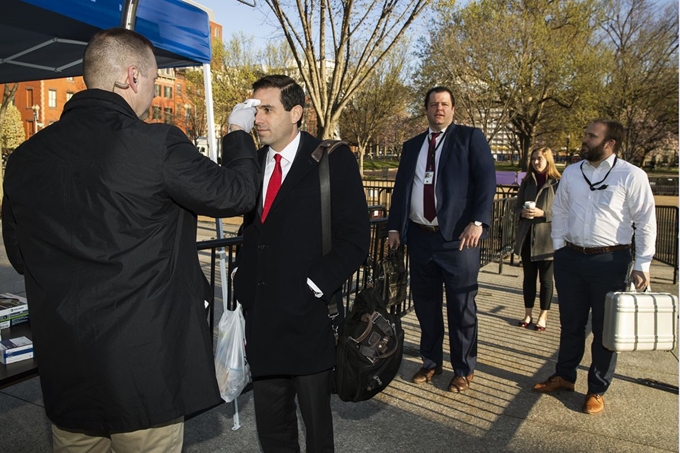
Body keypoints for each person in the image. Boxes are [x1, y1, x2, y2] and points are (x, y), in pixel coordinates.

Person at [1, 28, 260, 451]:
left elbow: (20, 254)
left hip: (66, 370)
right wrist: (236, 133)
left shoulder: (26, 157)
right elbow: (237, 193)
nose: (153, 93)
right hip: (143, 375)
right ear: (132, 77)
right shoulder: (154, 143)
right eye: (155, 81)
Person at [232, 75, 370, 453]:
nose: (257, 118)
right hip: (263, 322)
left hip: (309, 320)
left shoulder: (331, 159)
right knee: (272, 430)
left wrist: (315, 286)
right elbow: (234, 209)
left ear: (295, 113)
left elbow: (356, 238)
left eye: (266, 109)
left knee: (317, 432)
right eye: (253, 109)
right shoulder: (254, 162)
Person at [533, 119, 656, 415]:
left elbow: (645, 220)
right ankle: (565, 376)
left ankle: (597, 389)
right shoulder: (573, 173)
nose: (584, 139)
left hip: (610, 261)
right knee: (571, 323)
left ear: (610, 143)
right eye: (585, 134)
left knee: (605, 329)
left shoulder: (632, 175)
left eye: (591, 136)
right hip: (571, 258)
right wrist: (560, 246)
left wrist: (642, 263)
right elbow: (560, 210)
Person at [387, 86, 496, 393]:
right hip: (420, 239)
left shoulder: (469, 138)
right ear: (426, 109)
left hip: (459, 240)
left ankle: (464, 368)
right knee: (425, 305)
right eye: (434, 104)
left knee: (462, 307)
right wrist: (395, 227)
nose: (439, 108)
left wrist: (478, 221)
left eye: (445, 104)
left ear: (453, 109)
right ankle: (431, 361)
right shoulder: (412, 146)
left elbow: (487, 180)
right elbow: (402, 189)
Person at [514, 147, 561, 331]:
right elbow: (516, 207)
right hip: (527, 237)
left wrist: (544, 213)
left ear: (548, 160)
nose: (536, 162)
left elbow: (564, 212)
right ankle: (527, 313)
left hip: (547, 239)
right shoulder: (527, 182)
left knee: (547, 280)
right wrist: (522, 213)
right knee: (529, 278)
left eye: (539, 158)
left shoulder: (557, 183)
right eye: (533, 159)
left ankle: (543, 315)